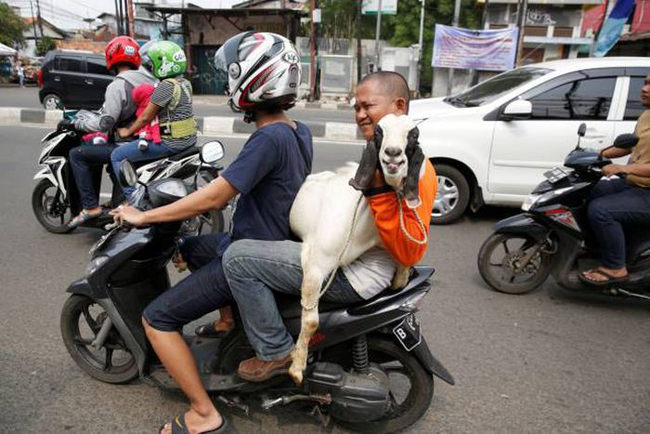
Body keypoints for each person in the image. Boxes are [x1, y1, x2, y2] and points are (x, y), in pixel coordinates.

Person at [111, 32, 310, 434]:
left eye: (232, 74)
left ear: (254, 78)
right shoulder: (295, 130)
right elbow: (252, 182)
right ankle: (228, 324)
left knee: (157, 319)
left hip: (250, 253)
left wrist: (144, 217)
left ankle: (204, 413)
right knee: (191, 246)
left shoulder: (268, 137)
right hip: (267, 240)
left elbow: (214, 200)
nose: (227, 84)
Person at [220, 71, 437, 382]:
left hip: (354, 275)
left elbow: (410, 248)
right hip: (356, 263)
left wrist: (376, 193)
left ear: (399, 106)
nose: (361, 115)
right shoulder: (383, 152)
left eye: (368, 106)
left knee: (238, 258)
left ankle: (274, 351)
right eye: (357, 107)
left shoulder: (411, 168)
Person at [62, 36, 157, 228]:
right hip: (148, 140)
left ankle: (90, 207)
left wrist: (78, 125)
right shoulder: (150, 78)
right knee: (106, 158)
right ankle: (118, 200)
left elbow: (105, 121)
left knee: (77, 155)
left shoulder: (118, 85)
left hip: (128, 142)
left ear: (111, 58)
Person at [580, 75, 650, 286]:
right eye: (646, 83)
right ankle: (598, 245)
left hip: (646, 191)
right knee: (586, 191)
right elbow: (631, 144)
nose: (645, 89)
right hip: (633, 182)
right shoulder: (647, 115)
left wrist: (622, 167)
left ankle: (615, 267)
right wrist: (598, 154)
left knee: (602, 210)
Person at [113, 40, 194, 199]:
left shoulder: (165, 87)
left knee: (117, 155)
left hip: (171, 143)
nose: (150, 68)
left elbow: (145, 118)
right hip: (188, 140)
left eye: (151, 64)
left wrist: (126, 131)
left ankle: (134, 198)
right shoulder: (185, 84)